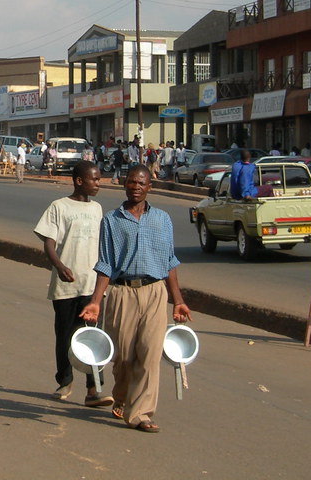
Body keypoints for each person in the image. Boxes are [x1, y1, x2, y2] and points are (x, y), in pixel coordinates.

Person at [79, 165, 191, 433]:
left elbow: (169, 262)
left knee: (150, 355)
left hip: (154, 292)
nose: (136, 187)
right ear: (124, 185)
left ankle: (141, 413)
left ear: (149, 187)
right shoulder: (112, 220)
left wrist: (178, 301)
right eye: (131, 182)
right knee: (124, 357)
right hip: (122, 292)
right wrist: (95, 301)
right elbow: (105, 264)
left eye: (141, 183)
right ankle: (122, 397)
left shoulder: (162, 219)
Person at [34, 160, 113, 408]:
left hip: (92, 286)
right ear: (79, 181)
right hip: (66, 285)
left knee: (93, 337)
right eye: (94, 179)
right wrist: (59, 266)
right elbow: (49, 241)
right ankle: (65, 381)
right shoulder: (59, 207)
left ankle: (94, 388)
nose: (98, 184)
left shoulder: (97, 209)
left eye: (99, 179)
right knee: (65, 335)